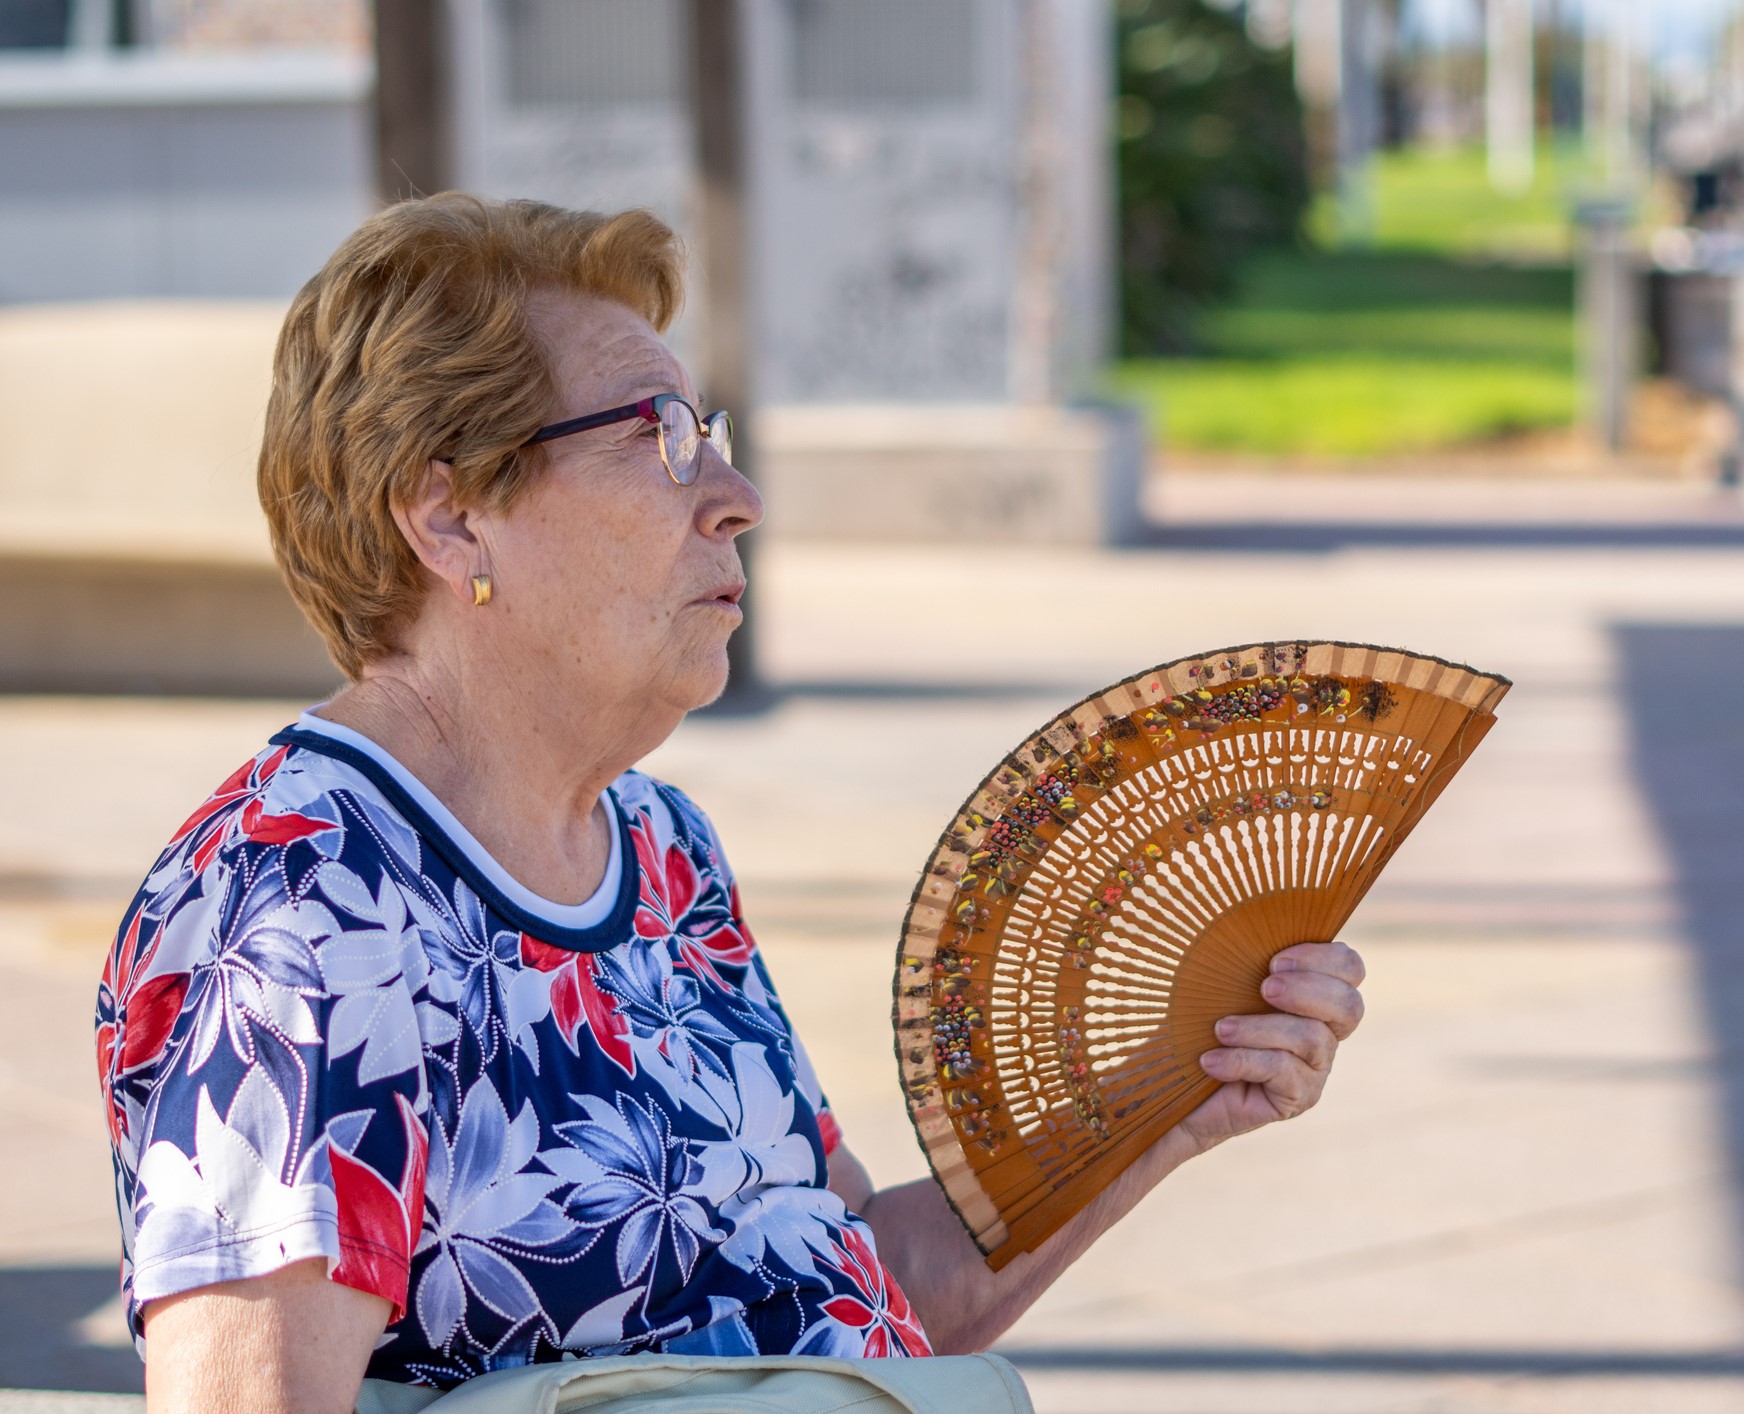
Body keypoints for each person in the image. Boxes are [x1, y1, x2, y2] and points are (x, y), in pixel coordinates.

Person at [95, 194, 1367, 1413]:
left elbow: (851, 1282)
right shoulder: (303, 906)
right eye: (659, 439)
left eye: (706, 431)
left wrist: (1164, 1100)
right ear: (450, 514)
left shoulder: (655, 848)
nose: (735, 497)